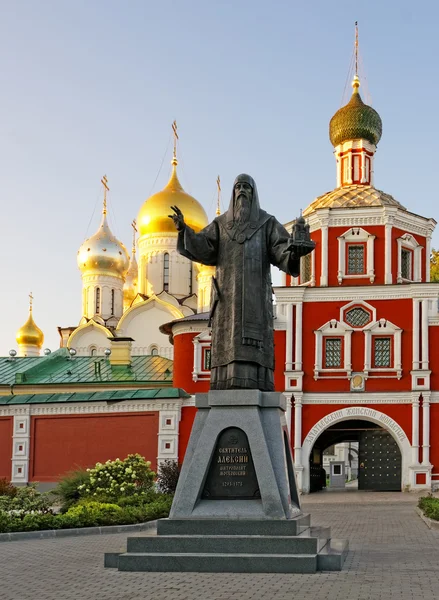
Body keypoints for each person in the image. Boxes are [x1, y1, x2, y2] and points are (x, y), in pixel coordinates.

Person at [169, 173, 314, 391]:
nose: (242, 191)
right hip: (226, 298)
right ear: (233, 192)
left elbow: (282, 250)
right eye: (238, 187)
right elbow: (204, 247)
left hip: (255, 296)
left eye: (247, 187)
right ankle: (224, 384)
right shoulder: (220, 224)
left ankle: (256, 383)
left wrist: (294, 253)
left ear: (254, 193)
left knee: (254, 341)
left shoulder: (267, 223)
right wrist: (184, 230)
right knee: (226, 338)